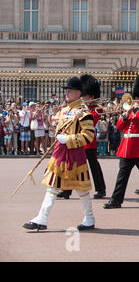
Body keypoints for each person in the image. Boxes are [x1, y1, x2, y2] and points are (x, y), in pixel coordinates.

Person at [23, 77, 96, 231]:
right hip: (60, 153)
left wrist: (67, 139)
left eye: (70, 91)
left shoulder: (83, 113)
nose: (67, 93)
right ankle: (41, 218)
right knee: (52, 186)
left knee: (81, 188)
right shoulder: (64, 110)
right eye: (67, 90)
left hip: (74, 155)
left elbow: (89, 136)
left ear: (78, 93)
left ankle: (89, 218)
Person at [103, 76, 139, 209]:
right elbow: (119, 126)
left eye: (138, 98)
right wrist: (125, 115)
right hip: (126, 147)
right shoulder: (130, 111)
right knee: (122, 175)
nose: (136, 100)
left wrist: (136, 110)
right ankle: (116, 200)